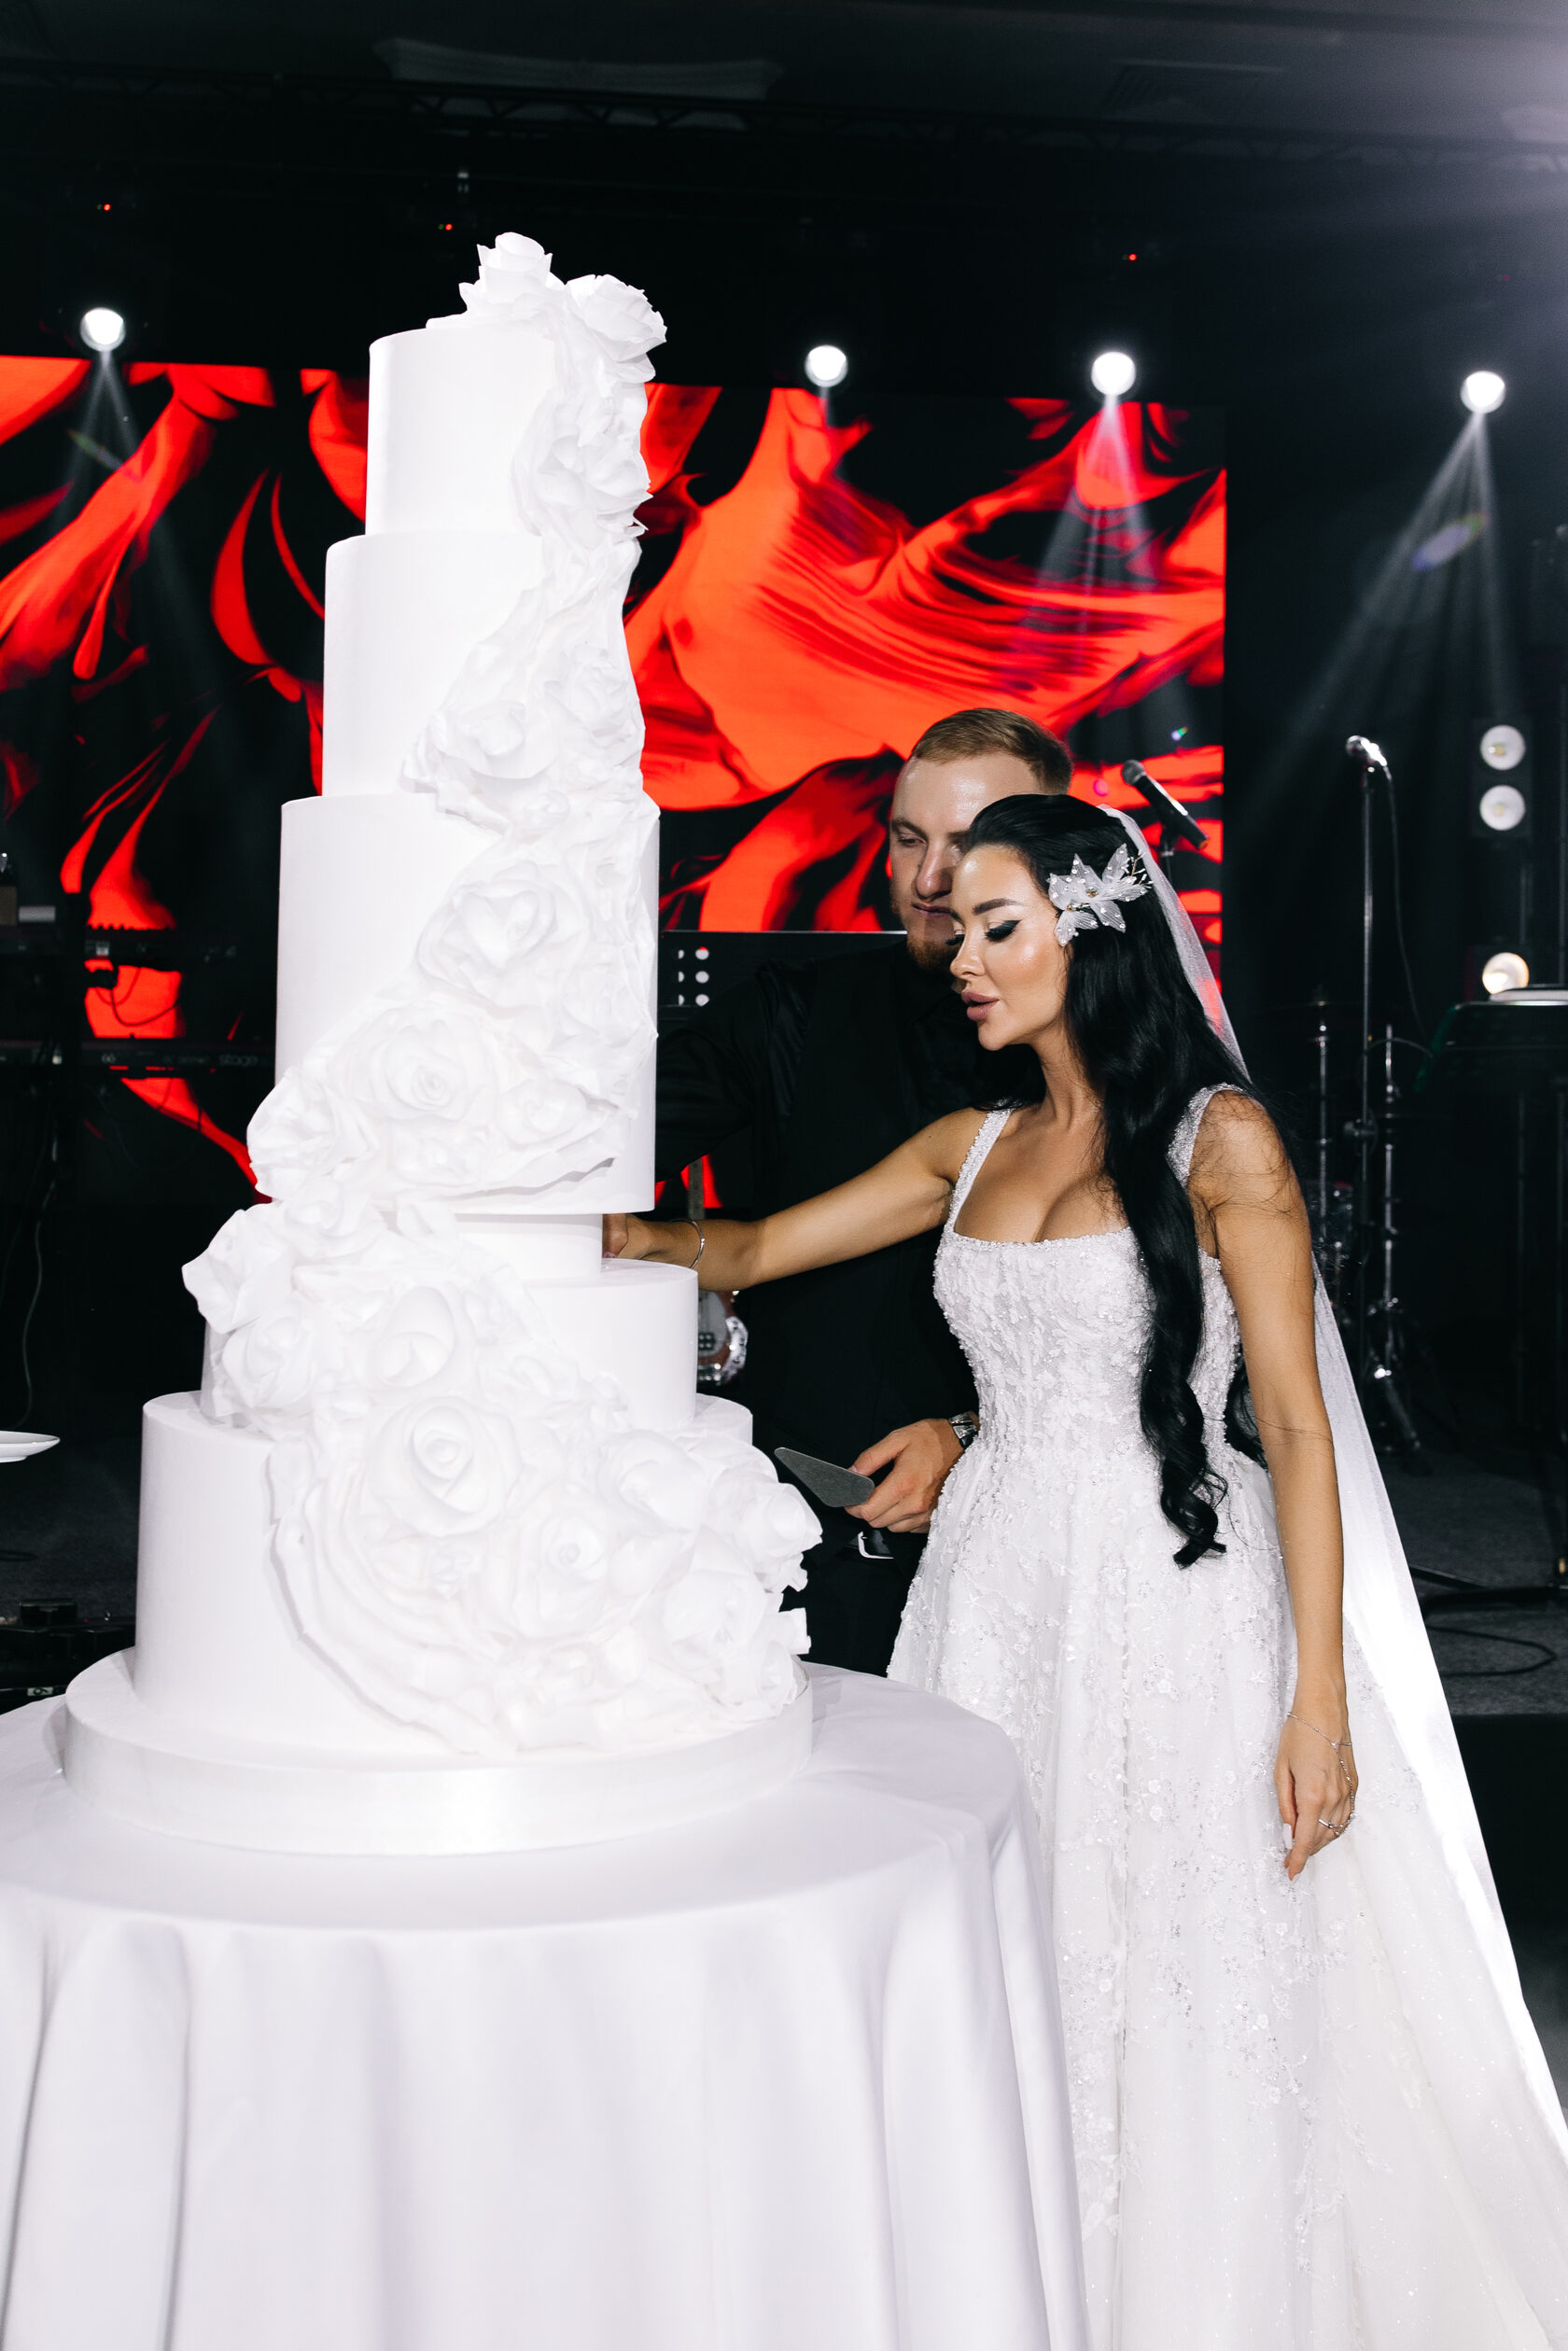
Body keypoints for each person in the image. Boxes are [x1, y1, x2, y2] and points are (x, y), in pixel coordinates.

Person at [609, 793, 1568, 2350]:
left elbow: (1299, 1431)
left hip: (1171, 1593)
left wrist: (1320, 1695)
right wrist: (584, 1230)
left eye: (999, 926)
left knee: (1175, 1958)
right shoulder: (970, 1140)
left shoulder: (1221, 1137)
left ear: (1095, 931)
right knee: (1015, 1944)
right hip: (993, 1591)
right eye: (957, 928)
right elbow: (753, 1248)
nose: (961, 955)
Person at [635, 707, 1070, 1674]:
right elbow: (603, 1142)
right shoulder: (791, 1014)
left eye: (968, 845)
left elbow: (1184, 1357)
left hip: (1033, 1561)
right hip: (808, 1559)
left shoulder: (1104, 1075)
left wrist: (973, 1437)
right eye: (909, 839)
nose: (929, 879)